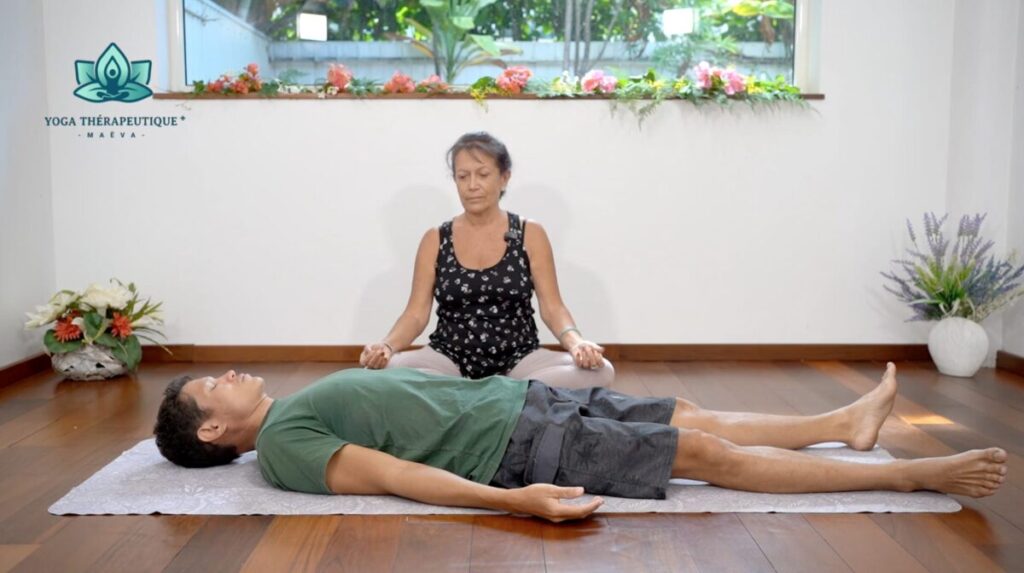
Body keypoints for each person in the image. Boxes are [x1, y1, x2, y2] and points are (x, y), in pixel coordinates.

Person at [153, 363, 1007, 522]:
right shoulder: (287, 446)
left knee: (688, 412)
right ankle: (913, 477)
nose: (227, 374)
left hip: (523, 401)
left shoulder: (295, 406)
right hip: (519, 448)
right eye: (211, 386)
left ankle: (843, 425)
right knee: (703, 458)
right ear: (214, 429)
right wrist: (511, 500)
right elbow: (397, 475)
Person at [359, 132, 613, 388]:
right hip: (448, 359)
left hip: (519, 359)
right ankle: (504, 396)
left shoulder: (530, 233)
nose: (472, 185)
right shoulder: (435, 238)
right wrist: (386, 346)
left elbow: (553, 308)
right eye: (463, 176)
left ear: (504, 177)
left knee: (601, 370)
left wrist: (577, 343)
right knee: (378, 374)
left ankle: (472, 396)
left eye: (482, 174)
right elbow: (415, 314)